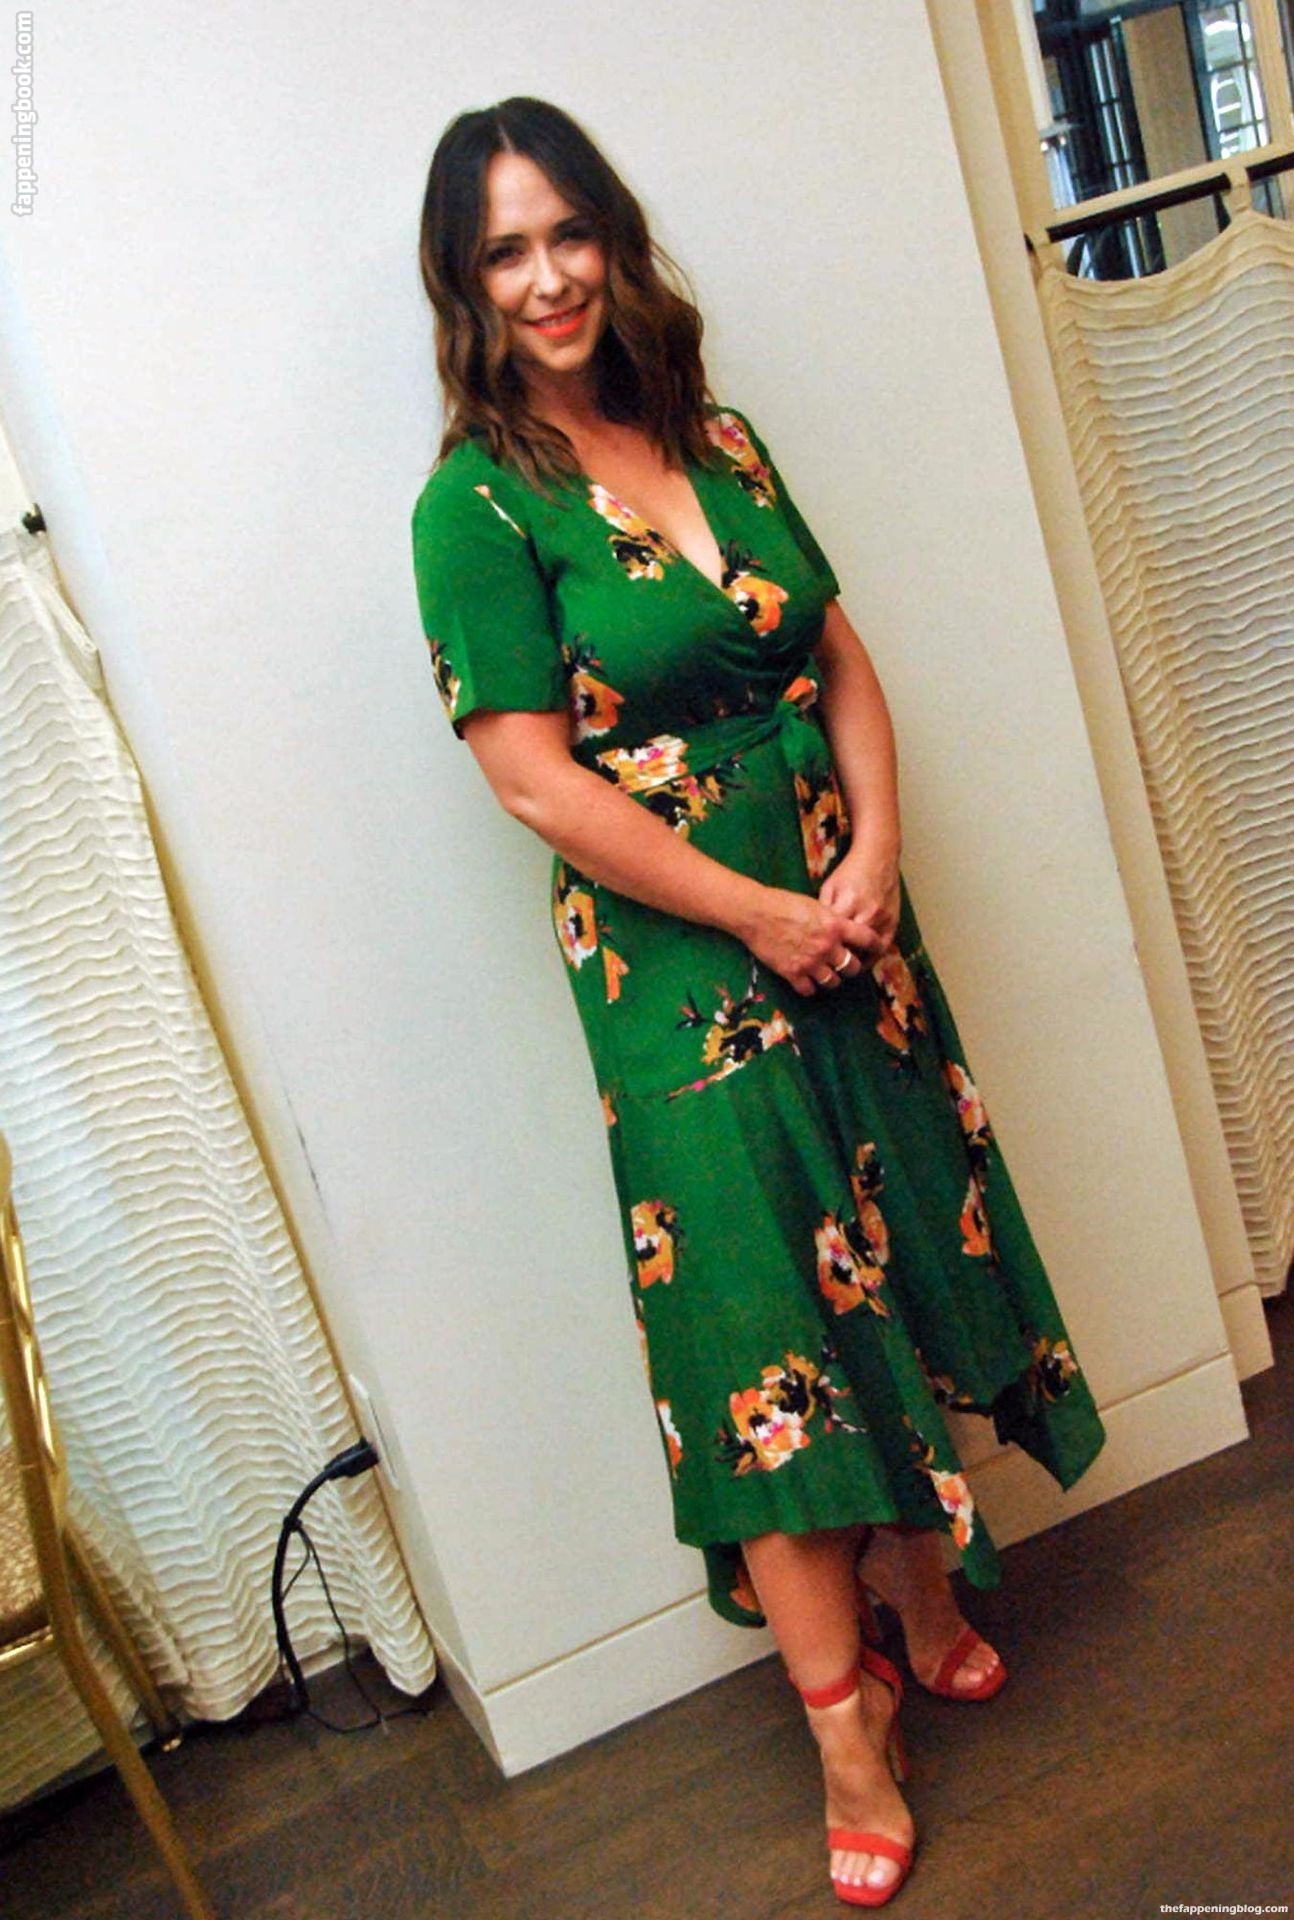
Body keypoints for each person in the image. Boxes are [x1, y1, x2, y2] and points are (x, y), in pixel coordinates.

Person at [410, 95, 1107, 1908]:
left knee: (893, 1235)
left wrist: (871, 849)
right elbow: (533, 782)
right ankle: (842, 1731)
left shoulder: (715, 433)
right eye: (503, 251)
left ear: (612, 236)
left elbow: (838, 660)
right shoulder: (471, 505)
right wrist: (758, 914)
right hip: (676, 967)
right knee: (762, 1328)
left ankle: (921, 1593)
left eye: (567, 232)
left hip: (844, 915)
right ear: (464, 285)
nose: (547, 278)